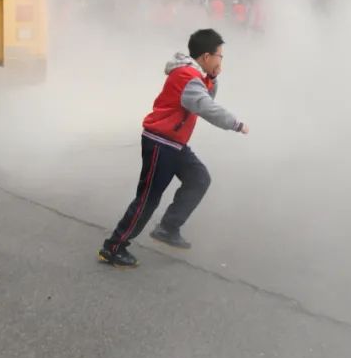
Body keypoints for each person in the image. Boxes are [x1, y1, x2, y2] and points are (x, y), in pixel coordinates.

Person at [99, 29, 248, 268]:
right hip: (161, 142)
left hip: (174, 143)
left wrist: (214, 78)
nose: (221, 61)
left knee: (199, 178)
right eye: (220, 56)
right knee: (148, 199)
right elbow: (204, 105)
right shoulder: (187, 76)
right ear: (207, 56)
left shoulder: (195, 76)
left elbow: (204, 95)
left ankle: (168, 227)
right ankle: (114, 247)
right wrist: (236, 123)